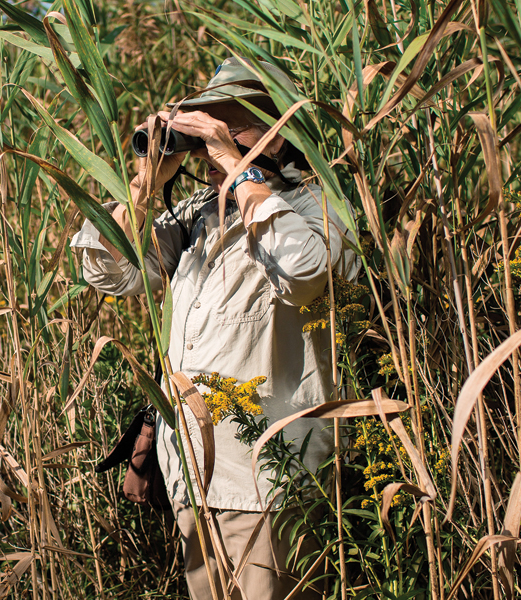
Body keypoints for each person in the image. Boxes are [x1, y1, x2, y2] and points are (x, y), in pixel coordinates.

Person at [71, 57, 360, 599]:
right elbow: (107, 270)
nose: (213, 140)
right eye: (206, 125)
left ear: (279, 130)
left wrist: (241, 169)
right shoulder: (200, 215)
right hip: (194, 479)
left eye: (231, 123)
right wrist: (143, 182)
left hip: (271, 483)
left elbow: (301, 273)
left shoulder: (317, 205)